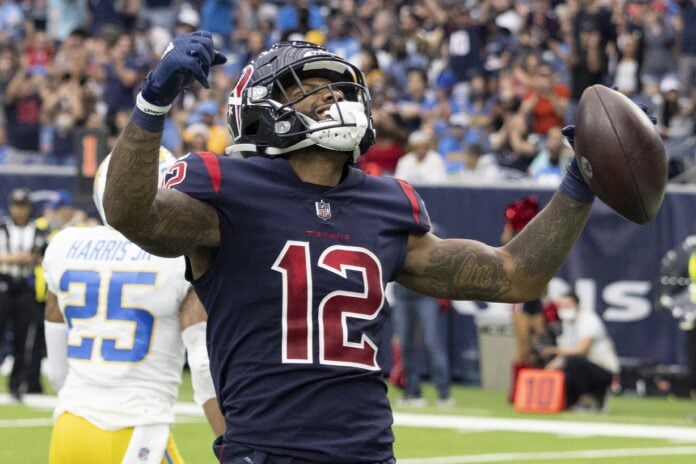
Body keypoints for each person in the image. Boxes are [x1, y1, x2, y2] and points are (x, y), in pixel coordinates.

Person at [103, 32, 598, 463]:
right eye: (306, 88)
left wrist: (579, 184)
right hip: (268, 450)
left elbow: (514, 275)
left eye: (336, 86)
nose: (330, 96)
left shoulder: (384, 202)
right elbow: (132, 213)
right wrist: (153, 103)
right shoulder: (227, 186)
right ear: (259, 109)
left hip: (368, 450)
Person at [42, 148, 224, 464]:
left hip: (69, 426)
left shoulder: (63, 245)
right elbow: (203, 365)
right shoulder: (180, 255)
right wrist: (229, 441)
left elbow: (58, 370)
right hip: (137, 430)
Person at [0, 188, 48, 400]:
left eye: (23, 206)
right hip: (4, 284)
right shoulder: (3, 227)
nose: (19, 211)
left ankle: (16, 385)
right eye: (16, 206)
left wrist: (32, 259)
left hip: (26, 286)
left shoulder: (38, 230)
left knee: (22, 338)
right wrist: (12, 258)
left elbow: (45, 256)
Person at [543, 292, 620, 411]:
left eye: (567, 305)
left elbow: (582, 350)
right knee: (564, 368)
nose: (564, 309)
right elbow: (564, 353)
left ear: (577, 305)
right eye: (562, 306)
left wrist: (555, 351)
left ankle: (587, 400)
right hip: (582, 370)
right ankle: (578, 401)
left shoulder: (588, 319)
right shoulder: (567, 325)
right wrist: (549, 369)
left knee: (572, 362)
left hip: (603, 370)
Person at [391, 282, 452, 408]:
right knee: (406, 345)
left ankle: (444, 394)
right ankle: (413, 393)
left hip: (426, 290)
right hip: (402, 292)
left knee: (432, 343)